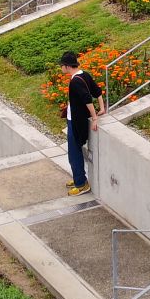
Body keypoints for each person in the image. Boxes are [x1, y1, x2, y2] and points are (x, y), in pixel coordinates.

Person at [59, 50, 101, 195]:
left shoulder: (75, 81)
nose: (61, 68)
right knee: (75, 151)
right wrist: (101, 108)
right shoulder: (84, 74)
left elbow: (87, 99)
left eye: (61, 66)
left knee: (74, 153)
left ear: (67, 66)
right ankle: (79, 178)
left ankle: (81, 184)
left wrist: (95, 117)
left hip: (76, 122)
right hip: (76, 119)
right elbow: (97, 91)